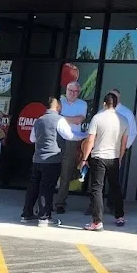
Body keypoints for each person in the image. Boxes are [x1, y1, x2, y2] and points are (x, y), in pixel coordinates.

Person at [20, 96, 75, 226]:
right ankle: (44, 217)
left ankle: (26, 214)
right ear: (58, 106)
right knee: (46, 188)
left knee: (33, 187)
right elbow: (69, 136)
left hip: (37, 159)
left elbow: (32, 139)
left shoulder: (39, 120)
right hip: (52, 159)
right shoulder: (59, 120)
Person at [77, 92, 126, 231]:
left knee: (97, 189)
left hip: (98, 157)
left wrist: (84, 158)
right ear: (116, 104)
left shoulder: (97, 118)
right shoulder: (123, 120)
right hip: (114, 157)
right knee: (115, 187)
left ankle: (97, 221)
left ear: (104, 104)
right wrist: (120, 158)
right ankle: (120, 216)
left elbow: (90, 140)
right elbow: (124, 143)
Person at [53, 81, 89, 214]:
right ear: (66, 90)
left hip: (71, 140)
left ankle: (60, 202)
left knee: (66, 172)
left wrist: (61, 118)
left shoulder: (82, 104)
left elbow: (79, 120)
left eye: (75, 91)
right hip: (56, 138)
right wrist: (68, 118)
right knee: (51, 169)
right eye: (70, 90)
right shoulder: (59, 101)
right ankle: (46, 199)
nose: (73, 93)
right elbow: (53, 117)